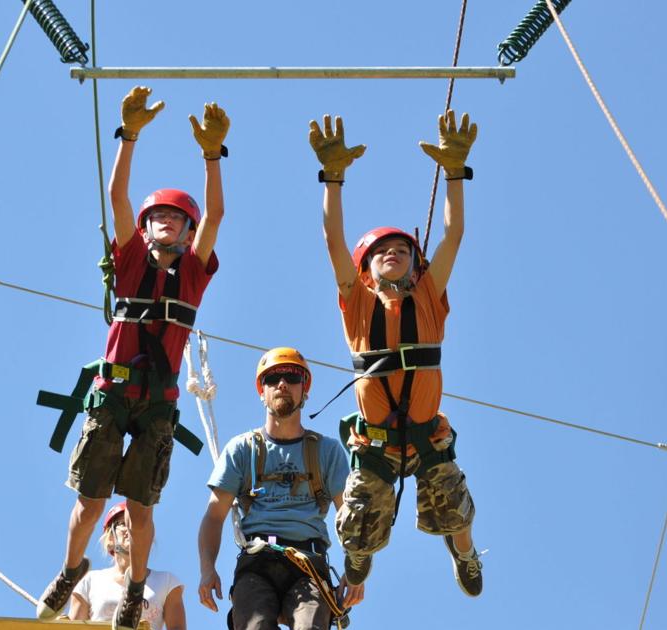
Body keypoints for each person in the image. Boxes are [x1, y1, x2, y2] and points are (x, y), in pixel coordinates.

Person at [37, 85, 228, 630]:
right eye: (158, 216)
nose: (167, 222)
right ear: (144, 229)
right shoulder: (128, 261)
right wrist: (129, 136)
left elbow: (216, 214)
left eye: (177, 218)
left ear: (188, 232)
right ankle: (71, 570)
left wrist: (212, 156)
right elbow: (118, 195)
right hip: (114, 393)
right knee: (91, 502)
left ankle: (136, 587)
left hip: (158, 403)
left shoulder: (193, 273)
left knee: (141, 508)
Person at [310, 110, 484, 596]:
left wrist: (455, 173)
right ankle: (360, 552)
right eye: (381, 252)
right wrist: (332, 179)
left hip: (427, 435)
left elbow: (453, 235)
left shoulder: (428, 295)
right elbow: (333, 240)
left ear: (415, 265)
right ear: (365, 270)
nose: (393, 253)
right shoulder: (358, 304)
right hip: (377, 443)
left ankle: (464, 552)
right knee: (358, 523)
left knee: (454, 505)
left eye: (402, 251)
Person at [198, 347, 364, 629]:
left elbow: (349, 516)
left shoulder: (326, 451)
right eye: (272, 378)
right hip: (257, 564)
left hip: (309, 567)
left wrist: (355, 569)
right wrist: (207, 570)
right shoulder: (242, 449)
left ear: (304, 389)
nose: (282, 384)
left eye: (292, 377)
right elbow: (214, 517)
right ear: (261, 391)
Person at [69, 502, 187, 629]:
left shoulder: (167, 582)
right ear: (110, 538)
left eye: (138, 526)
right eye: (123, 524)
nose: (132, 529)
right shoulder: (90, 581)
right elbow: (74, 627)